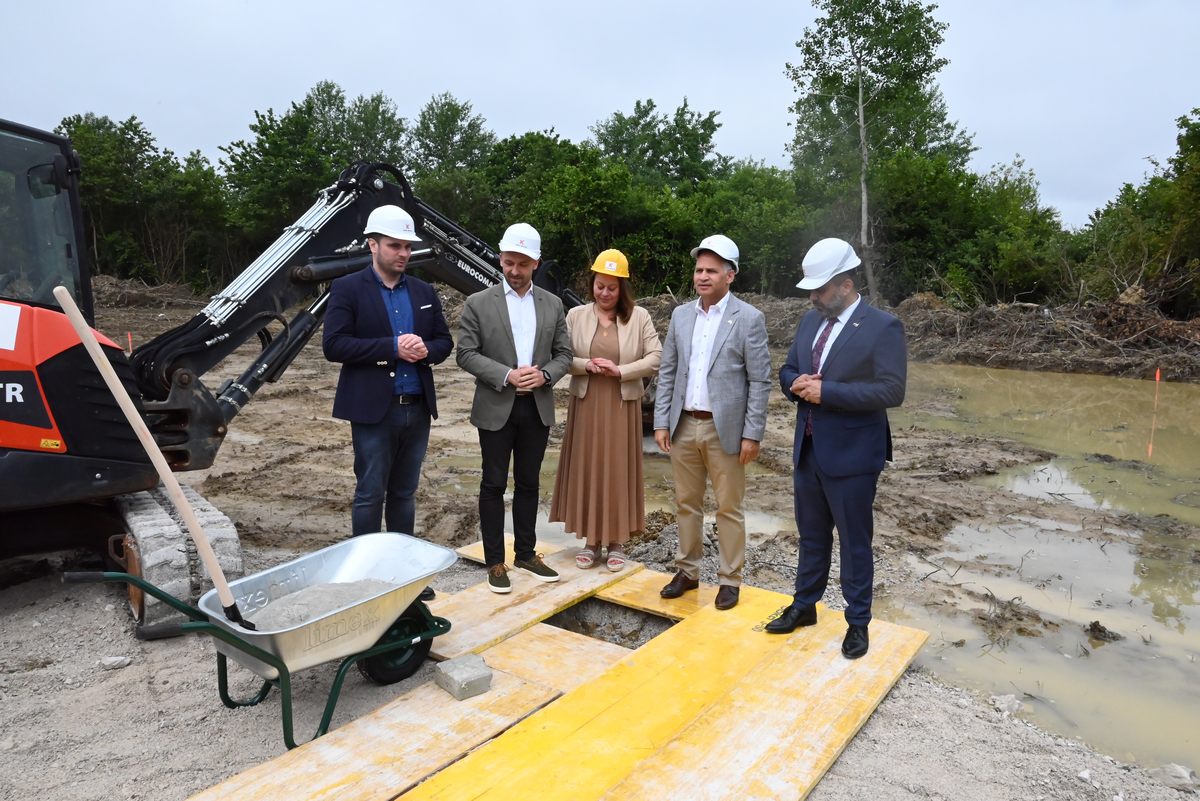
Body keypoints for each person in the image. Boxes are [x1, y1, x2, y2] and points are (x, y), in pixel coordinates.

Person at [767, 238, 907, 660]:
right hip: (809, 449)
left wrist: (828, 392)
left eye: (820, 289)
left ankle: (857, 622)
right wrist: (794, 384)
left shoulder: (882, 327)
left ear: (845, 285)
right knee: (811, 536)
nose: (813, 297)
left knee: (854, 541)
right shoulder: (811, 321)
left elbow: (891, 390)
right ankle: (804, 605)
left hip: (853, 455)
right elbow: (789, 368)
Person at [322, 204, 453, 549]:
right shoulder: (347, 288)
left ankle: (401, 567)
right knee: (370, 492)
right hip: (373, 411)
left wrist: (426, 349)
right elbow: (334, 345)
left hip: (417, 408)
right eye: (395, 245)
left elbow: (444, 342)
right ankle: (366, 570)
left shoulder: (424, 292)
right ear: (373, 244)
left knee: (404, 493)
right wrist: (392, 347)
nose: (404, 253)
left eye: (407, 246)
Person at [653, 234, 770, 611]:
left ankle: (729, 579)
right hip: (684, 424)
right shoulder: (681, 315)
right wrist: (661, 421)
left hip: (726, 430)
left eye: (712, 271)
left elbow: (759, 380)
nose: (702, 276)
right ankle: (687, 571)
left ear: (730, 275)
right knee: (686, 502)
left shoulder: (748, 319)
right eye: (699, 270)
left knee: (728, 507)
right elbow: (668, 371)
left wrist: (752, 433)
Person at [456, 222, 573, 594]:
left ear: (536, 263)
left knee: (528, 483)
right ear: (500, 258)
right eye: (508, 262)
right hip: (496, 406)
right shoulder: (478, 303)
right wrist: (506, 375)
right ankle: (495, 561)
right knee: (492, 483)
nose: (514, 271)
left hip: (536, 407)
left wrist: (546, 375)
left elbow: (564, 354)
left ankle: (525, 553)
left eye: (522, 264)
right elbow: (465, 353)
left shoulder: (552, 304)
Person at [550, 249, 662, 572]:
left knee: (616, 469)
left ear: (622, 287)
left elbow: (656, 357)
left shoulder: (639, 317)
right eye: (600, 286)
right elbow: (560, 356)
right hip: (586, 403)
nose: (605, 293)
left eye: (612, 288)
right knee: (588, 467)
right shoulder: (576, 316)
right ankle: (590, 540)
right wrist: (585, 365)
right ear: (592, 284)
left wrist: (621, 370)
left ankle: (616, 542)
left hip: (621, 405)